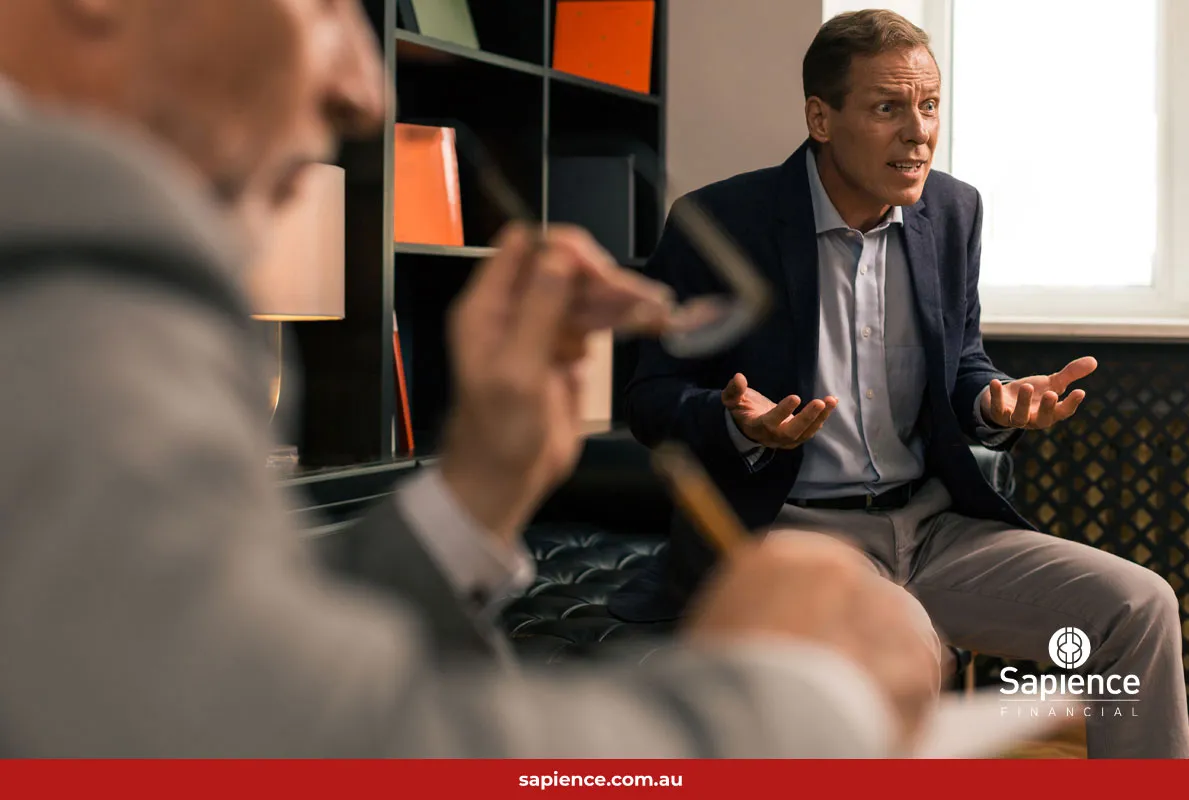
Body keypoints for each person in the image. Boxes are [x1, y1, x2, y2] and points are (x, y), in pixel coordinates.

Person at [0, 0, 942, 757]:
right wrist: (802, 692)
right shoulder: (63, 266)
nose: (364, 90)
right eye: (328, 5)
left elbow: (187, 660)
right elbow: (304, 744)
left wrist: (478, 486)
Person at [619, 9, 1189, 759]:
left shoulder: (954, 211)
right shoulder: (721, 222)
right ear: (821, 118)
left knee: (1139, 605)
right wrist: (737, 423)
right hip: (800, 532)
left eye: (929, 105)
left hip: (933, 527)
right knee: (907, 648)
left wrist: (992, 402)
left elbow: (961, 363)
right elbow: (650, 397)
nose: (919, 131)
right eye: (888, 107)